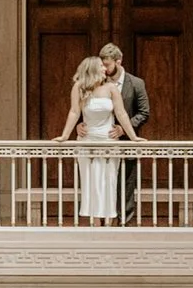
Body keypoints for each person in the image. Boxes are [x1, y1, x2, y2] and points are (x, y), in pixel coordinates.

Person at [59, 45, 143, 222]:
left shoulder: (111, 88)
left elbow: (121, 113)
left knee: (108, 181)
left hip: (108, 139)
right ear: (92, 70)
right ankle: (95, 221)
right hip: (87, 140)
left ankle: (109, 220)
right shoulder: (79, 87)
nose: (104, 68)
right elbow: (74, 112)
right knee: (90, 182)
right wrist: (65, 135)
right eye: (101, 66)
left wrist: (133, 137)